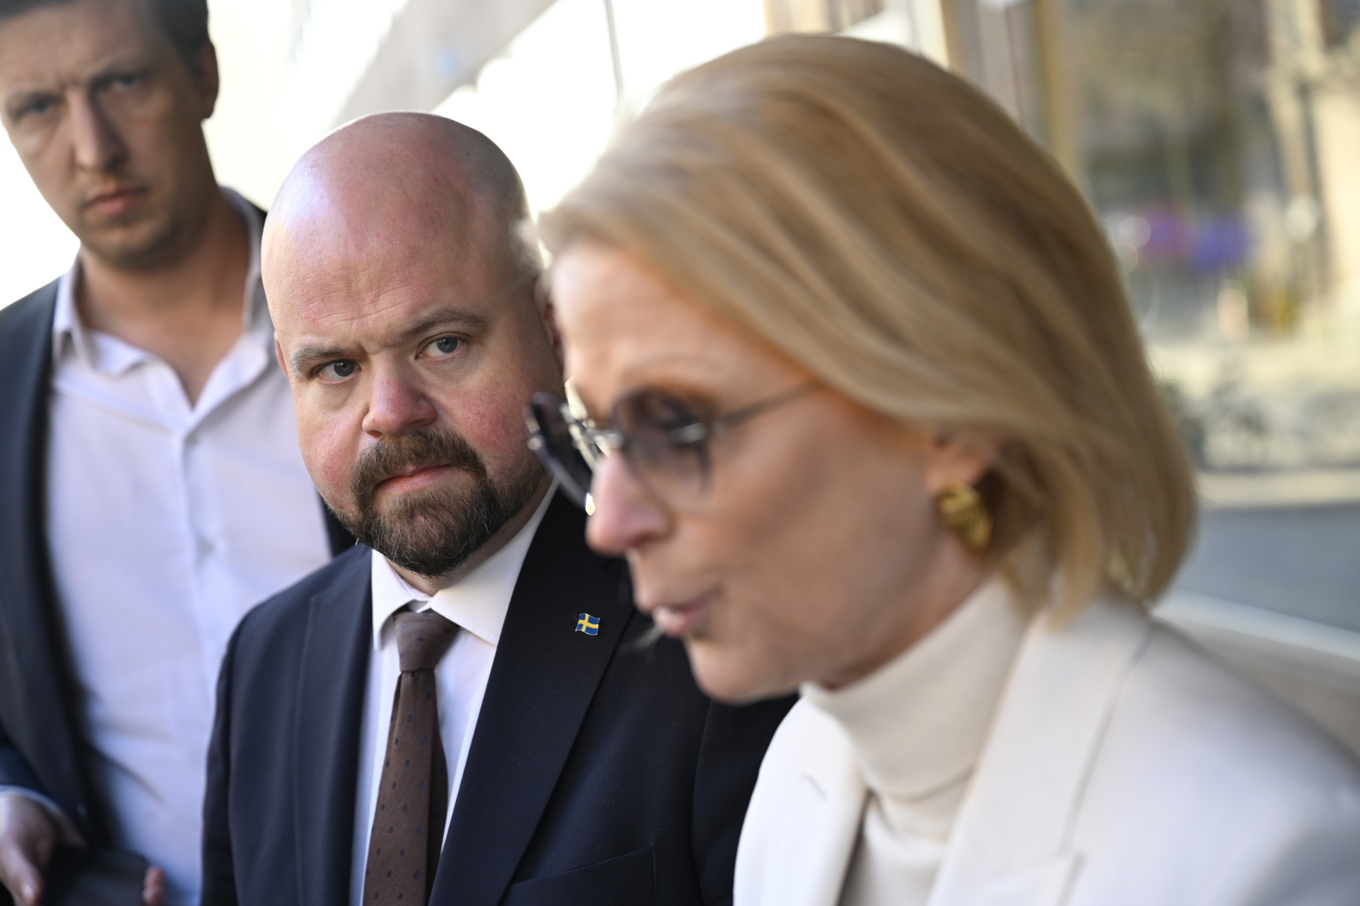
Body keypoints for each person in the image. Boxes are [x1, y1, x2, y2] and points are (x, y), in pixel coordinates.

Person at [529, 36, 1360, 906]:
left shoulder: (1268, 857)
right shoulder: (801, 769)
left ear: (948, 415)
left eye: (676, 426)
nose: (608, 522)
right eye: (600, 433)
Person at [200, 112, 792, 906]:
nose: (391, 412)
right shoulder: (263, 666)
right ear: (288, 374)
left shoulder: (710, 636)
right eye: (336, 368)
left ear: (553, 324)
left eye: (442, 343)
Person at [0, 0, 354, 903]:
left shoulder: (370, 325)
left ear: (203, 75)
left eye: (122, 82)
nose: (93, 149)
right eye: (36, 107)